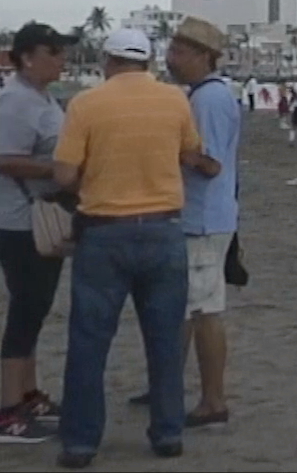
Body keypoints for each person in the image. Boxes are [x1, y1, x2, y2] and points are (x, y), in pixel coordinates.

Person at [52, 29, 221, 467]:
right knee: (164, 340)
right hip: (164, 229)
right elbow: (191, 153)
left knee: (89, 342)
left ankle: (81, 442)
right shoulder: (175, 101)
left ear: (109, 61)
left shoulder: (86, 104)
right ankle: (167, 433)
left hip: (105, 232)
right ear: (147, 62)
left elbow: (64, 176)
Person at [165, 17, 242, 429]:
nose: (170, 58)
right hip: (201, 216)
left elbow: (209, 163)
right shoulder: (204, 95)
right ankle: (166, 385)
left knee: (204, 310)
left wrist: (166, 146)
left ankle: (213, 399)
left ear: (202, 56)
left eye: (178, 51)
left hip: (204, 219)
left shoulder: (209, 100)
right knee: (185, 308)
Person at [0, 23, 72, 443]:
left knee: (36, 307)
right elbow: (5, 158)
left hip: (34, 215)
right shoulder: (15, 101)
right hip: (19, 219)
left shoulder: (38, 98)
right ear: (27, 57)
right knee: (27, 311)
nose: (61, 58)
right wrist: (58, 171)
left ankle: (26, 394)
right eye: (53, 51)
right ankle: (8, 407)